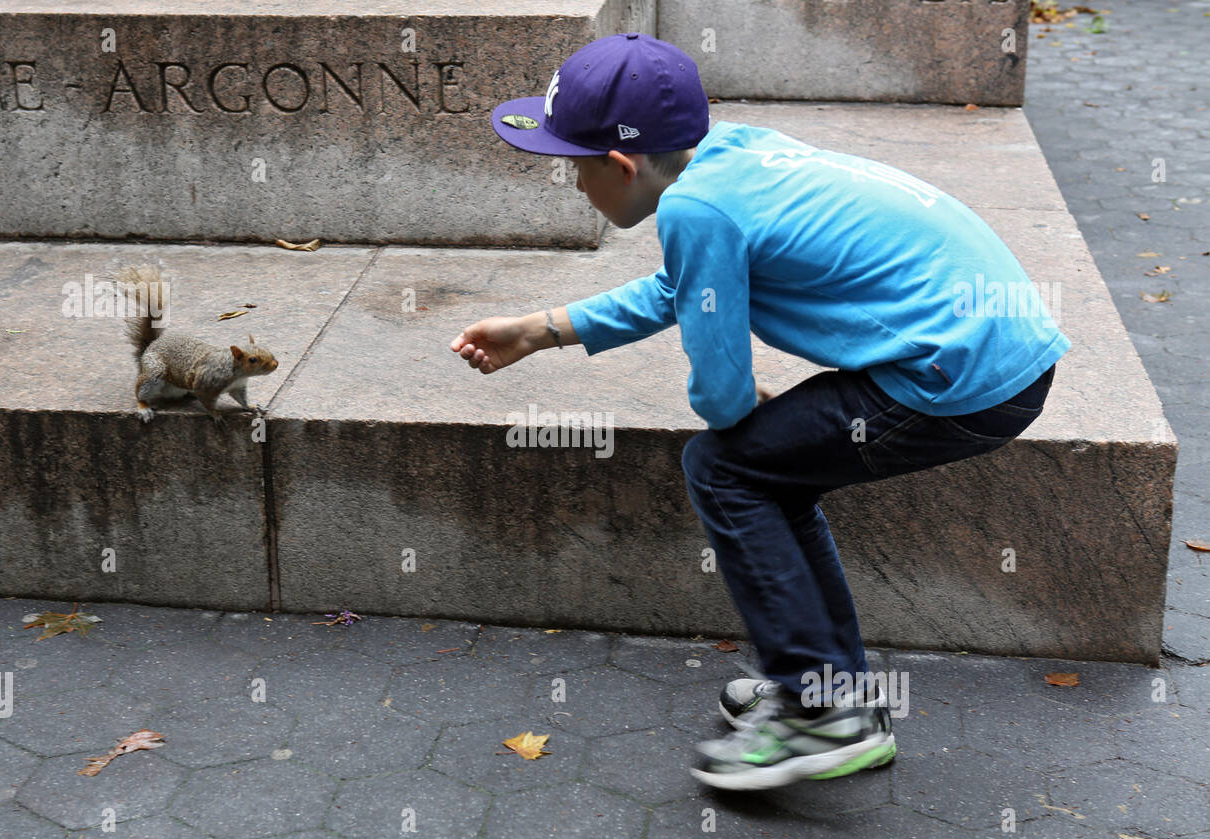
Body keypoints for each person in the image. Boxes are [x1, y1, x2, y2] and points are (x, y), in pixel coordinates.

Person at [450, 33, 1069, 791]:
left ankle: (821, 716)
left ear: (618, 165)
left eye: (573, 169)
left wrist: (739, 403)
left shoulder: (696, 212)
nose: (573, 186)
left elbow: (718, 396)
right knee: (765, 469)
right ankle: (831, 695)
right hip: (998, 349)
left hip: (961, 375)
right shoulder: (732, 157)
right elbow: (685, 290)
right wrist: (540, 330)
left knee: (723, 468)